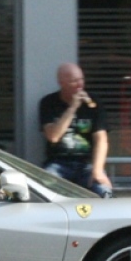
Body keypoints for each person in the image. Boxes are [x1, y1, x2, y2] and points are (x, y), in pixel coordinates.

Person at [39, 62, 113, 197]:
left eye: (81, 79)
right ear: (62, 83)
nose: (80, 85)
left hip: (86, 163)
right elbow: (53, 136)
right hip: (58, 162)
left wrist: (97, 170)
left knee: (103, 191)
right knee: (44, 192)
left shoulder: (94, 103)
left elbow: (101, 139)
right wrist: (72, 108)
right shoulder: (49, 102)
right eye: (74, 81)